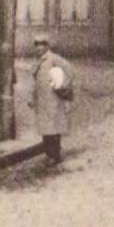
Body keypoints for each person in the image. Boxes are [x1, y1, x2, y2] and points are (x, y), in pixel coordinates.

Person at [30, 34, 74, 165]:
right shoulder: (39, 60)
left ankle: (55, 156)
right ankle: (49, 154)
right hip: (42, 100)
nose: (38, 48)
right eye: (36, 45)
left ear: (47, 46)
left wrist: (62, 85)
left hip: (53, 100)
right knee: (45, 128)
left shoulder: (54, 58)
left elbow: (69, 70)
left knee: (53, 128)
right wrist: (33, 99)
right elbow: (36, 82)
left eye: (41, 45)